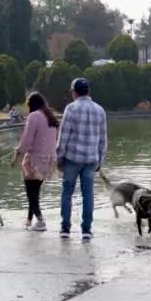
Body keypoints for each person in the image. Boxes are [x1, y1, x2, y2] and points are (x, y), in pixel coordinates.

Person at [56, 78, 107, 241]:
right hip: (91, 160)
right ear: (89, 91)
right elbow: (103, 139)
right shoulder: (100, 110)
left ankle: (65, 228)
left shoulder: (71, 109)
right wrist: (101, 160)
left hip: (72, 159)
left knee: (67, 193)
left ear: (74, 92)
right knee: (88, 194)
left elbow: (63, 137)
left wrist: (59, 157)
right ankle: (86, 230)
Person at [12, 92, 59, 232]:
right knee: (35, 191)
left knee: (30, 192)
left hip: (35, 160)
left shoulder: (34, 116)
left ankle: (40, 221)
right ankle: (29, 220)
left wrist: (16, 155)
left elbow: (26, 140)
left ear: (32, 105)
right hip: (48, 161)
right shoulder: (50, 116)